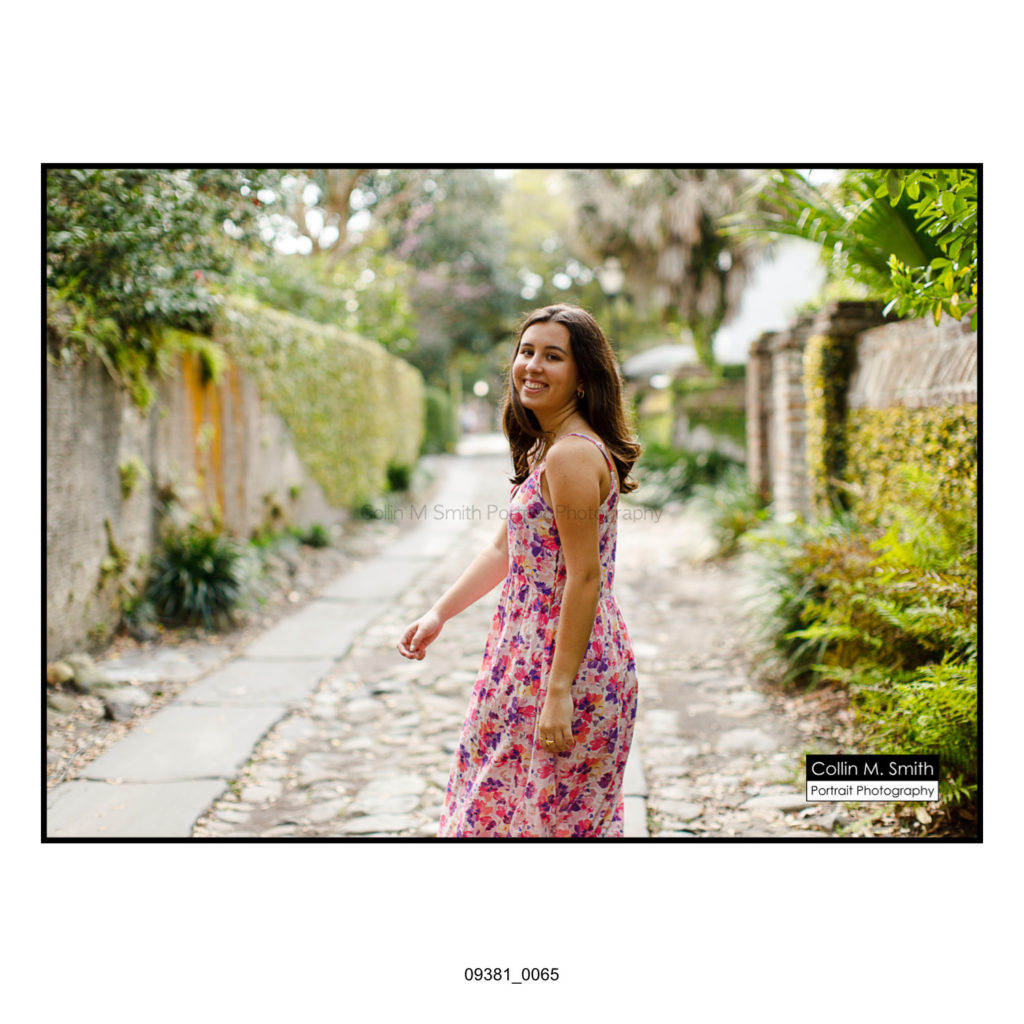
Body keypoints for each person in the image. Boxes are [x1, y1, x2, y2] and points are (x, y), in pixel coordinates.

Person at [397, 304, 642, 837]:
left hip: (561, 666)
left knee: (540, 824)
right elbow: (501, 552)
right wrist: (438, 614)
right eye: (526, 351)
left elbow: (584, 577)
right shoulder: (547, 450)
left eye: (553, 356)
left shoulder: (571, 456)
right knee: (503, 813)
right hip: (523, 659)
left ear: (583, 377)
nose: (532, 365)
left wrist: (559, 690)